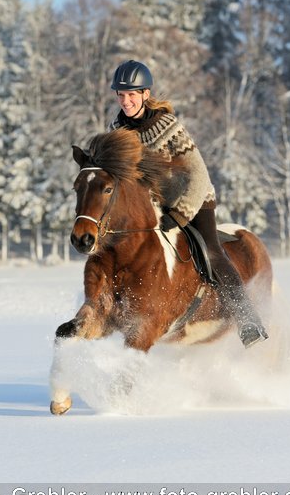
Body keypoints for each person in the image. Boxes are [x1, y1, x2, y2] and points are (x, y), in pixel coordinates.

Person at [109, 59, 268, 348]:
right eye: (121, 95)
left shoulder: (167, 125)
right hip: (152, 208)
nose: (125, 101)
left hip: (194, 199)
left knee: (210, 251)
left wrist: (182, 214)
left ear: (145, 94)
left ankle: (248, 321)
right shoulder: (117, 129)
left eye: (132, 94)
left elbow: (199, 173)